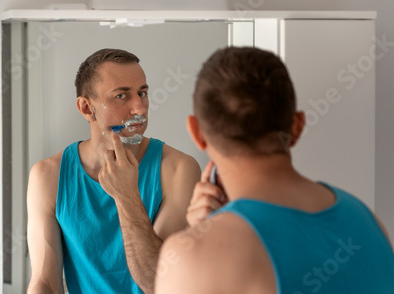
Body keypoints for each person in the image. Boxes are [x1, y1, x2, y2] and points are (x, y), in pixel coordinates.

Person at [155, 47, 394, 293]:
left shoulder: (193, 256)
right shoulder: (368, 222)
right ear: (297, 126)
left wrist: (205, 240)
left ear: (196, 132)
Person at [26, 48, 201, 294]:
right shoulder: (48, 176)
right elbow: (45, 282)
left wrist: (126, 196)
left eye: (143, 93)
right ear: (87, 108)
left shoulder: (178, 170)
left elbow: (159, 284)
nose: (139, 108)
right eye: (122, 96)